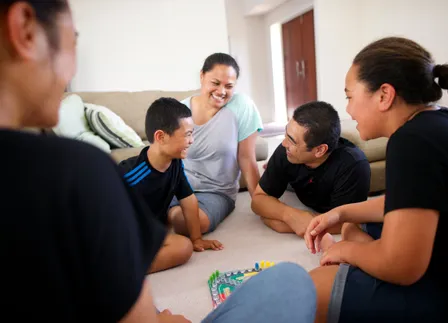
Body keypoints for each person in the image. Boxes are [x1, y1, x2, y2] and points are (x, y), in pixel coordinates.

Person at [0, 1, 319, 322]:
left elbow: (241, 164)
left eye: (229, 86)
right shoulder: (82, 172)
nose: (71, 72)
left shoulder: (78, 176)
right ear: (25, 30)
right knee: (292, 280)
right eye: (73, 44)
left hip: (203, 198)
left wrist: (255, 201)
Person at [303, 36, 448, 323]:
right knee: (350, 224)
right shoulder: (438, 120)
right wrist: (341, 212)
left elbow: (402, 266)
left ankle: (361, 261)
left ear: (384, 95)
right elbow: (411, 199)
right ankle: (364, 258)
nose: (347, 109)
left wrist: (346, 250)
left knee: (310, 291)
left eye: (349, 96)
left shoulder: (413, 141)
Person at [118, 97, 223, 274]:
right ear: (161, 137)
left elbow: (188, 200)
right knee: (182, 247)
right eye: (188, 134)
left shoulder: (174, 163)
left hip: (147, 230)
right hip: (123, 234)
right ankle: (119, 272)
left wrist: (196, 238)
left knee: (184, 246)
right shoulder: (132, 174)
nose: (192, 141)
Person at [168, 53, 263, 233]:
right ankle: (168, 212)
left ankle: (170, 215)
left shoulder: (241, 106)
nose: (221, 91)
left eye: (229, 86)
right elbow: (167, 158)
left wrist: (261, 203)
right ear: (202, 76)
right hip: (178, 186)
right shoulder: (180, 110)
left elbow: (246, 158)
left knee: (189, 222)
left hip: (216, 192)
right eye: (215, 83)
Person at [251, 101, 371, 237]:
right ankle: (273, 168)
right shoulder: (286, 151)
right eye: (286, 134)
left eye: (292, 140)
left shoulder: (353, 166)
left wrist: (286, 224)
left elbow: (347, 222)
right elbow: (258, 200)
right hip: (297, 179)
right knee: (282, 175)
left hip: (326, 187)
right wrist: (289, 215)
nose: (284, 143)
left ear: (320, 150)